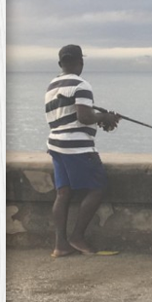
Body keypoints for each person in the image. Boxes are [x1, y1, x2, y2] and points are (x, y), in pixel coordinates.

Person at [44, 45, 121, 257]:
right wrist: (104, 118)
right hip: (76, 147)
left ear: (61, 64)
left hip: (56, 145)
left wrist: (99, 118)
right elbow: (84, 117)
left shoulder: (51, 86)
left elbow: (69, 116)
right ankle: (77, 236)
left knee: (63, 193)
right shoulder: (81, 84)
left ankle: (60, 245)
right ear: (81, 62)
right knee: (98, 188)